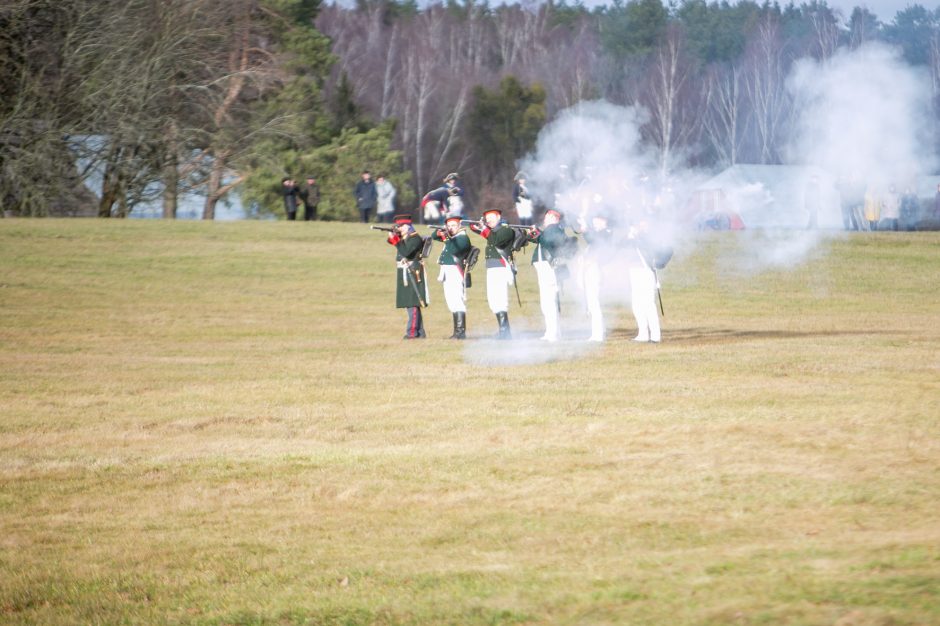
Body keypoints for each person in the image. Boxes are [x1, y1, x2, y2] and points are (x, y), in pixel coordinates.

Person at [469, 208, 515, 339]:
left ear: (499, 217)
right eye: (487, 218)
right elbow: (473, 227)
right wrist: (479, 224)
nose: (489, 220)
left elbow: (496, 241)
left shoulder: (506, 230)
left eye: (491, 217)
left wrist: (484, 228)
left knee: (500, 299)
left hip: (501, 267)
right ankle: (503, 330)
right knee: (493, 300)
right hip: (492, 268)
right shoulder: (491, 231)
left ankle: (505, 332)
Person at [526, 209, 567, 342]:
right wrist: (534, 235)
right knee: (547, 302)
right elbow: (543, 241)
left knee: (549, 302)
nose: (545, 218)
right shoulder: (551, 230)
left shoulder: (554, 229)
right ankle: (552, 332)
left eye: (548, 216)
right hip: (545, 267)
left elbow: (548, 242)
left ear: (554, 218)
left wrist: (538, 234)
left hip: (548, 267)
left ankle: (553, 333)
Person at [431, 215, 474, 339]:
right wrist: (441, 231)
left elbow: (454, 249)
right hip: (447, 271)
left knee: (457, 301)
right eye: (449, 226)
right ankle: (456, 332)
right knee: (451, 301)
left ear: (459, 226)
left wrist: (445, 237)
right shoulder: (451, 237)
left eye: (453, 225)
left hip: (456, 270)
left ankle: (461, 332)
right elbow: (434, 236)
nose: (451, 228)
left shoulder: (463, 238)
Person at [386, 214, 428, 339]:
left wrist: (396, 240)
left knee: (412, 303)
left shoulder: (414, 238)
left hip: (412, 271)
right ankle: (420, 333)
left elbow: (405, 252)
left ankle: (412, 332)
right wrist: (394, 236)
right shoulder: (406, 238)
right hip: (406, 271)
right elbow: (392, 242)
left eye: (402, 226)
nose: (400, 228)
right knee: (410, 303)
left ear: (408, 226)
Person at [579, 213, 613, 342]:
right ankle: (598, 332)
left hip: (595, 269)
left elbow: (594, 241)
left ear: (603, 220)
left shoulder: (605, 233)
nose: (594, 223)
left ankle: (597, 334)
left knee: (594, 303)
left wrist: (586, 230)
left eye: (596, 220)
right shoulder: (601, 233)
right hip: (591, 268)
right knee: (592, 303)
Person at [627, 220, 661, 344]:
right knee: (636, 305)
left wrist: (636, 237)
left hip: (645, 271)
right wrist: (631, 237)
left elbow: (648, 247)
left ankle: (655, 335)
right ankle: (643, 333)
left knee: (648, 304)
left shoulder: (648, 237)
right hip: (634, 271)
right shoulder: (632, 237)